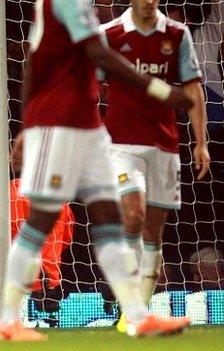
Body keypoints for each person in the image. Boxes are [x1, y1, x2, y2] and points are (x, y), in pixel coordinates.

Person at [0, 0, 194, 342]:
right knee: (43, 217)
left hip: (89, 125)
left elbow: (36, 59)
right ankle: (9, 318)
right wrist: (161, 90)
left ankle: (136, 315)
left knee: (109, 215)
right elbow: (97, 55)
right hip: (57, 124)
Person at [98, 1, 210, 333]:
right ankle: (131, 308)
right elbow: (89, 86)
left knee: (153, 231)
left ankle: (137, 313)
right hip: (122, 144)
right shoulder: (110, 35)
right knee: (133, 215)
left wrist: (200, 140)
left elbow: (192, 87)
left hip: (164, 145)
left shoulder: (177, 34)